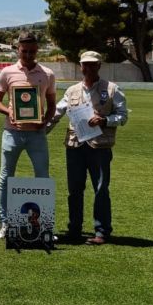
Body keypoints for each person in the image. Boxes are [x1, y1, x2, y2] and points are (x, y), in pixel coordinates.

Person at [48, 50, 128, 245]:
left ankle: (101, 231)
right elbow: (57, 113)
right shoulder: (72, 90)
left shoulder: (112, 89)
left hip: (99, 147)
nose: (89, 68)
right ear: (80, 66)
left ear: (99, 66)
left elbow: (123, 116)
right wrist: (38, 130)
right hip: (75, 145)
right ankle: (74, 229)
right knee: (74, 190)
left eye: (93, 64)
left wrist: (105, 120)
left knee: (101, 188)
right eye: (85, 64)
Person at [0, 31, 56, 239]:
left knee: (42, 178)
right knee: (5, 178)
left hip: (37, 135)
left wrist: (44, 122)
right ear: (18, 49)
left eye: (32, 51)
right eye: (24, 50)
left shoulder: (47, 74)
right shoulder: (7, 72)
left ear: (37, 50)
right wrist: (9, 111)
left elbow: (52, 104)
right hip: (12, 132)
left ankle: (44, 224)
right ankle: (4, 223)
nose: (28, 54)